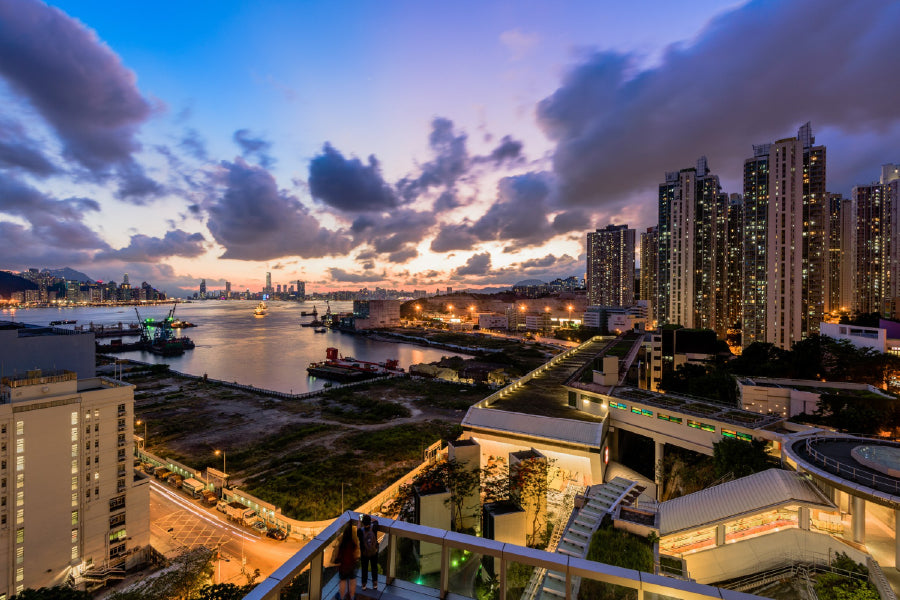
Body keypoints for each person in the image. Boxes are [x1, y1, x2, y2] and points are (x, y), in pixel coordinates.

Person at [332, 526, 359, 600]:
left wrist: (338, 528)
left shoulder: (342, 542)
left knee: (343, 580)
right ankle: (352, 596)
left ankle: (341, 596)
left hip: (343, 565)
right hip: (352, 564)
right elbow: (357, 553)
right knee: (352, 580)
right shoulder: (354, 542)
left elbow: (338, 537)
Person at [357, 513, 380, 590]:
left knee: (364, 568)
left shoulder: (360, 532)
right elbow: (376, 520)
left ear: (363, 523)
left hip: (364, 553)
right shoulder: (374, 528)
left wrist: (359, 520)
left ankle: (364, 585)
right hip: (374, 552)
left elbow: (358, 527)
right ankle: (375, 584)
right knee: (374, 567)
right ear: (370, 522)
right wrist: (370, 517)